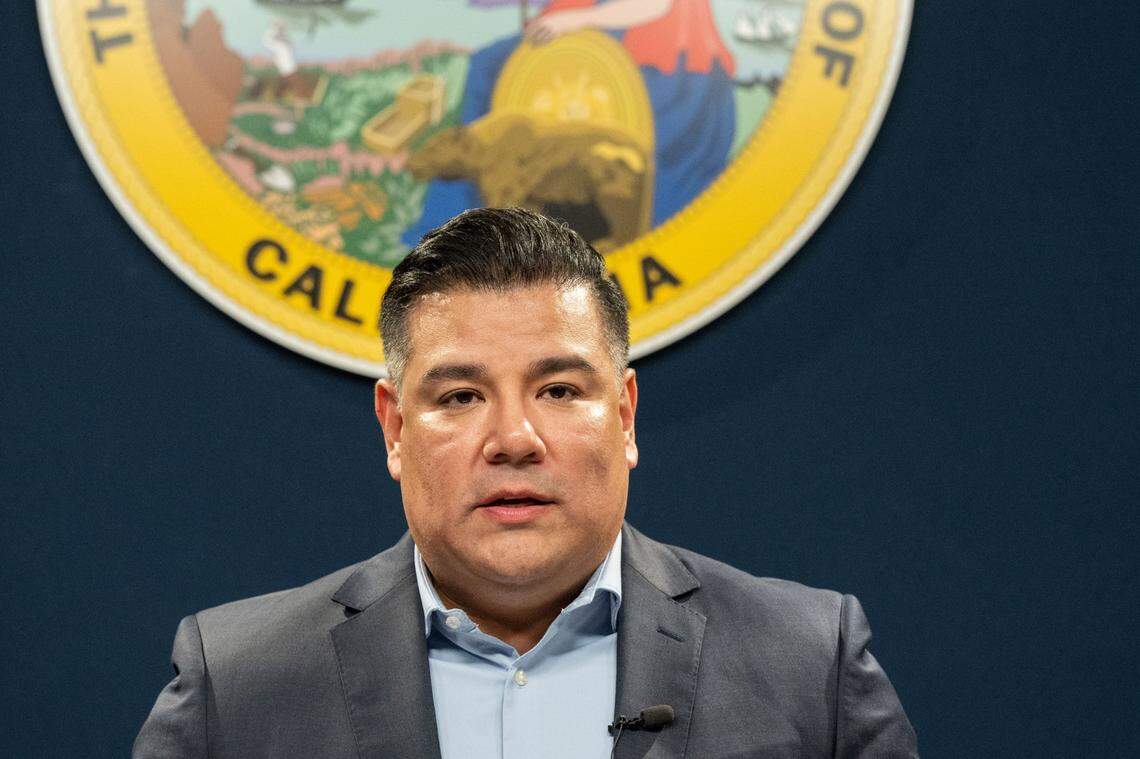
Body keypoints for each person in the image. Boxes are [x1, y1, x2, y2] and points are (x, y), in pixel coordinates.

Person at [134, 207, 918, 758]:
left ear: (625, 415)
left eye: (559, 390)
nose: (514, 439)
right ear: (395, 428)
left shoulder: (808, 667)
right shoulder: (237, 689)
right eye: (460, 396)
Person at [403, 0, 737, 245]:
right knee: (487, 65)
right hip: (583, 21)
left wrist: (577, 20)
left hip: (651, 41)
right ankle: (460, 224)